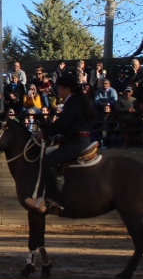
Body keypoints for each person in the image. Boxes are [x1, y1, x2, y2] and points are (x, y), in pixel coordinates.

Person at [25, 74, 95, 215]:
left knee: (48, 161)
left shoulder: (73, 102)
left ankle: (53, 199)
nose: (58, 93)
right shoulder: (79, 101)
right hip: (77, 139)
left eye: (59, 89)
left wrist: (44, 133)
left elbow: (63, 123)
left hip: (77, 142)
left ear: (66, 89)